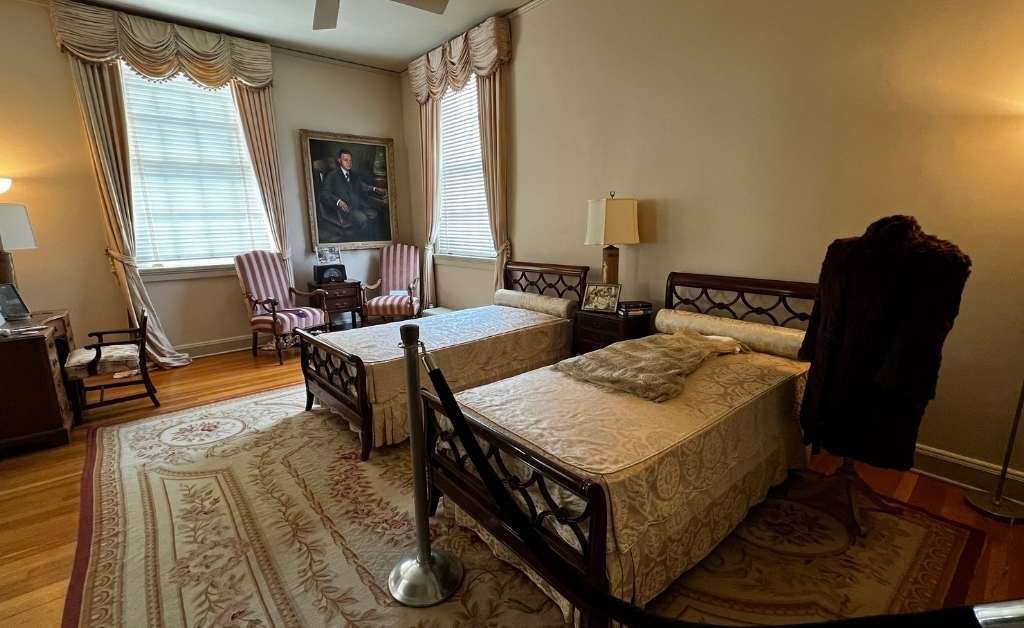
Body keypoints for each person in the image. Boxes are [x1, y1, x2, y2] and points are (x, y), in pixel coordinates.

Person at [318, 149, 386, 240]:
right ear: (339, 161)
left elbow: (362, 186)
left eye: (350, 160)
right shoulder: (332, 176)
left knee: (378, 214)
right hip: (345, 210)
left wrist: (375, 188)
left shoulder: (353, 174)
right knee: (363, 220)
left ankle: (373, 241)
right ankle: (362, 242)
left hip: (359, 206)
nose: (349, 163)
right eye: (345, 160)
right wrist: (338, 202)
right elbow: (324, 194)